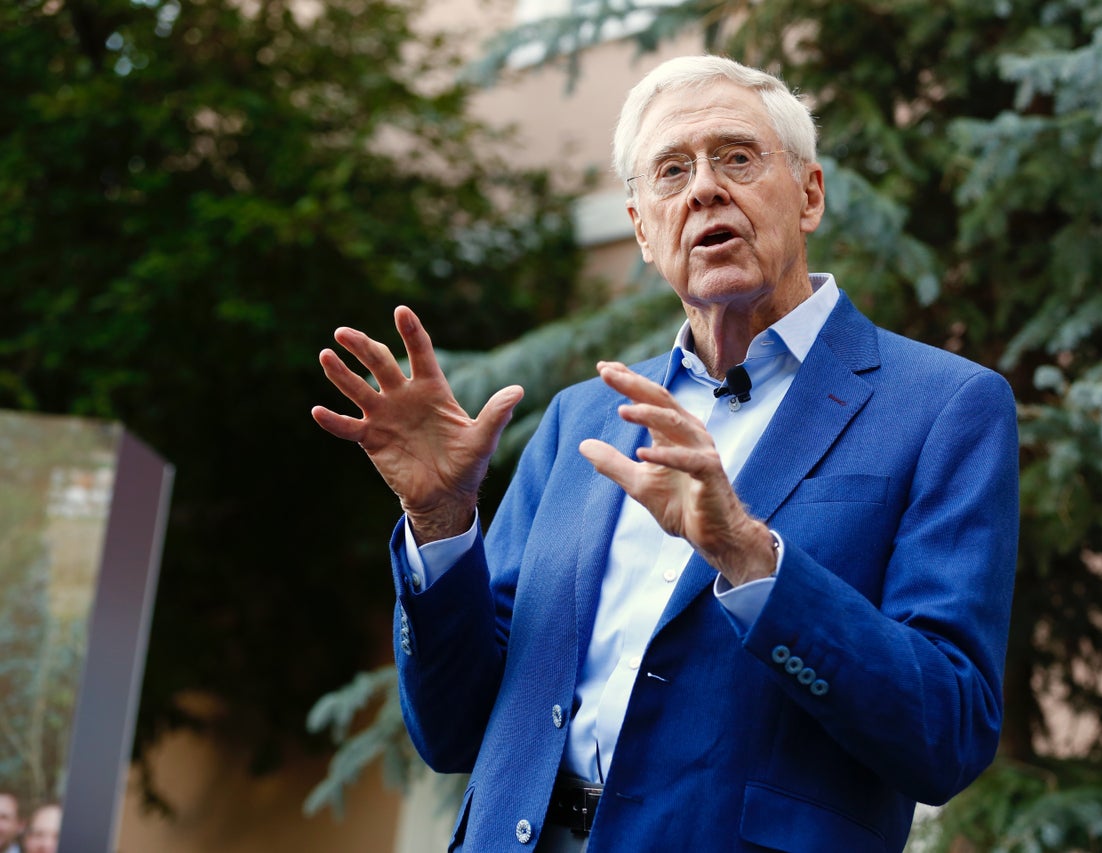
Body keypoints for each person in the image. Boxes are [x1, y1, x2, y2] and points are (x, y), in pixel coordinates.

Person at [314, 55, 1019, 852]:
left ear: (810, 194)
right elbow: (452, 730)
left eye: (738, 158)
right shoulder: (584, 419)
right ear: (644, 230)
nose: (705, 188)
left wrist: (749, 557)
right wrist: (441, 524)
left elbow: (950, 732)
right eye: (672, 171)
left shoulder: (943, 405)